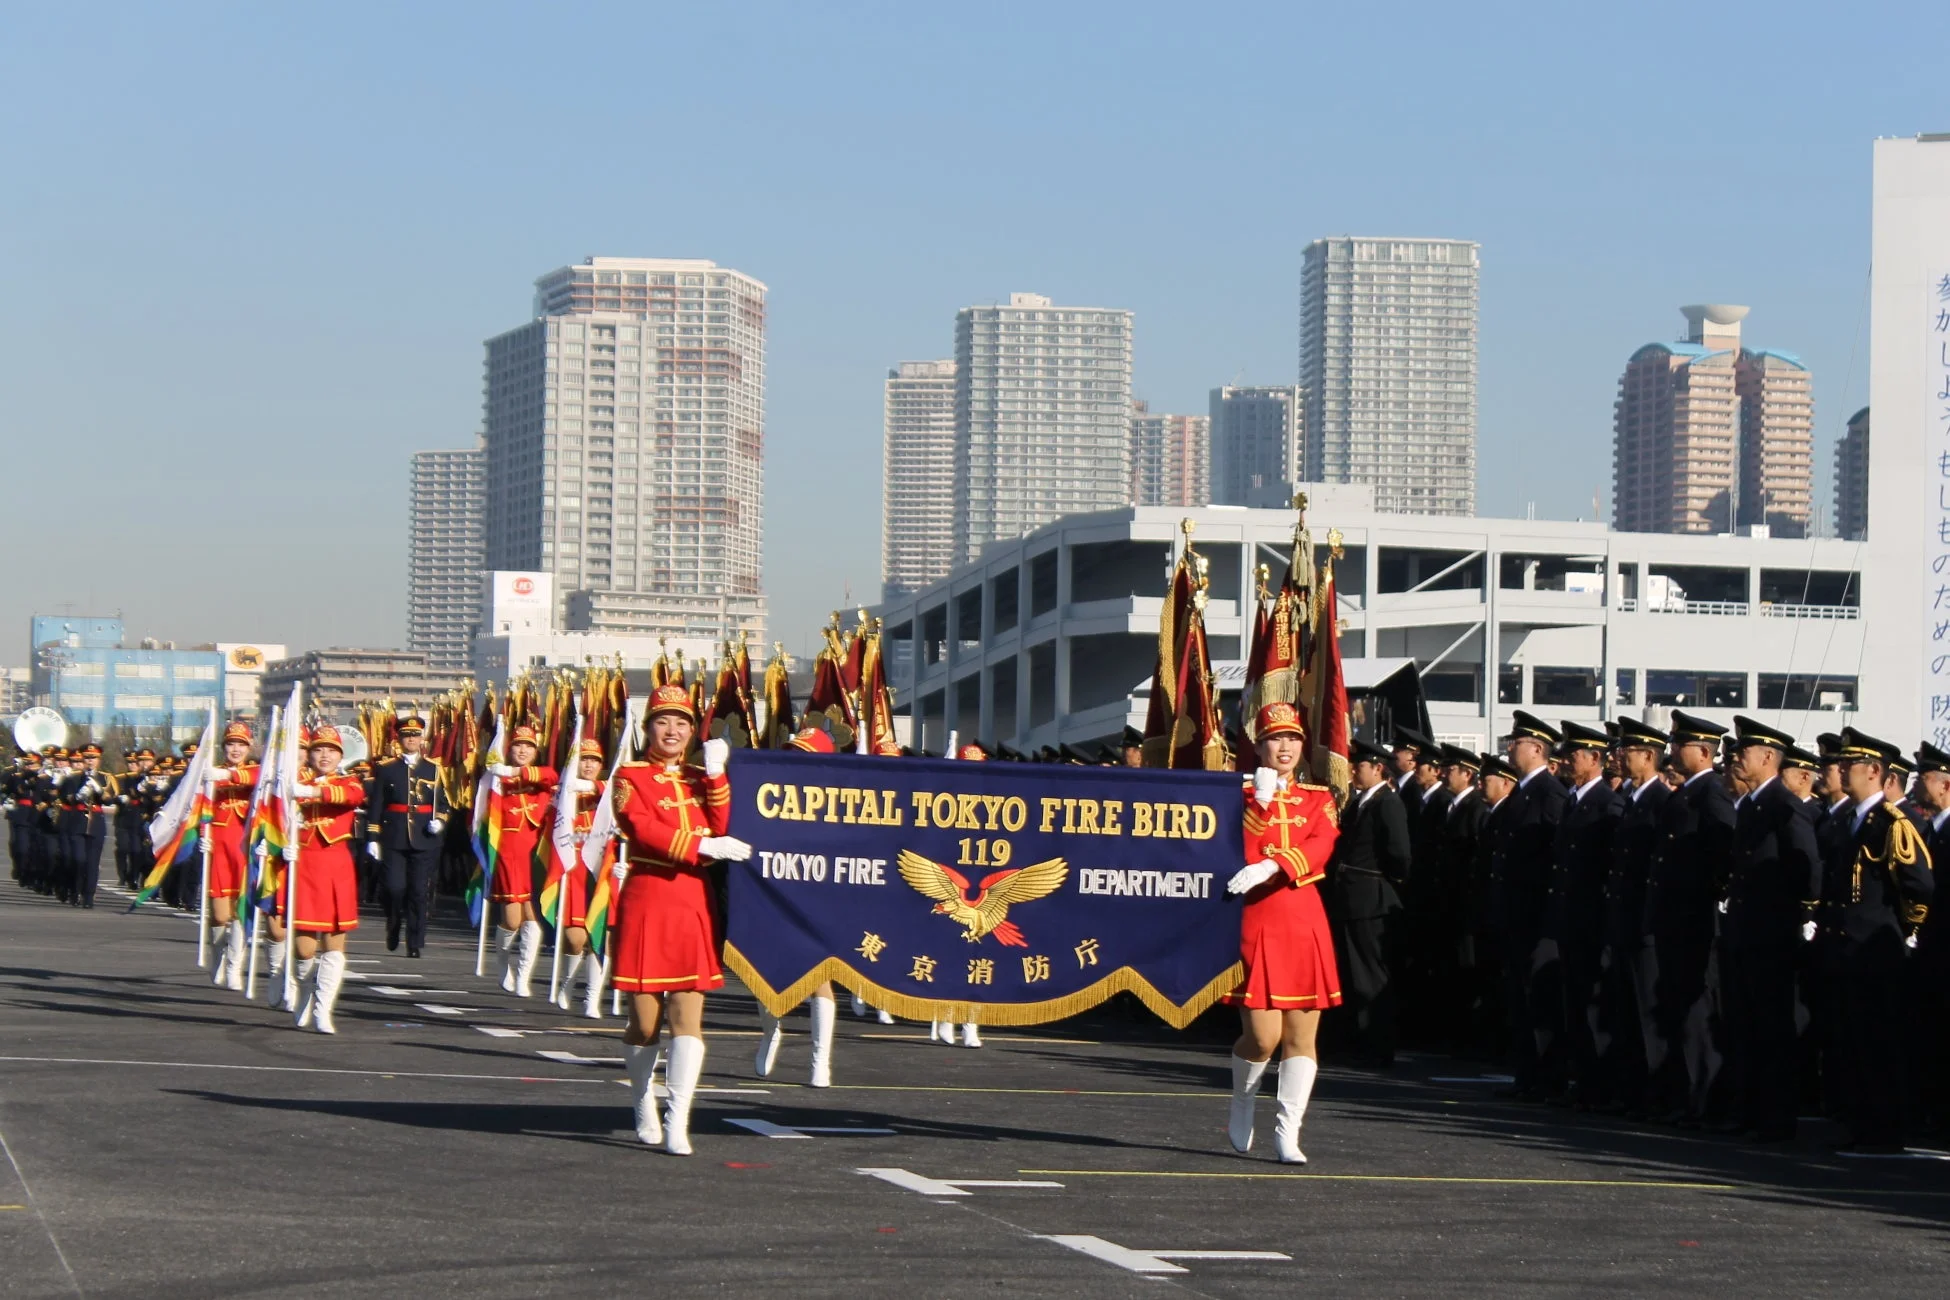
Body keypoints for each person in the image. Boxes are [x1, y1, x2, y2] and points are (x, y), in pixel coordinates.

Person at [611, 683, 751, 1155]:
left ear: (693, 731)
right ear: (648, 727)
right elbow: (641, 828)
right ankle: (641, 1100)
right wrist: (699, 846)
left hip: (692, 899)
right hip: (649, 897)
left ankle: (679, 1117)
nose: (672, 731)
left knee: (687, 1013)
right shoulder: (629, 776)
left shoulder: (698, 775)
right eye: (663, 722)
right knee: (645, 1023)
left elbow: (723, 821)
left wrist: (715, 776)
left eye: (682, 723)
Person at [1223, 701, 1341, 1164]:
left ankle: (1288, 1131)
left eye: (1292, 738)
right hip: (1257, 915)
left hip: (1303, 915)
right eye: (1275, 738)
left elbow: (1322, 844)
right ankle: (1243, 1100)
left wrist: (1276, 863)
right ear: (1259, 745)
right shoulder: (1240, 795)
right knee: (1262, 1037)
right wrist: (1261, 803)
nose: (1285, 746)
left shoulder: (1319, 796)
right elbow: (1238, 845)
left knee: (1302, 1035)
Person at [1720, 716, 1822, 1142]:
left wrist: (1793, 918)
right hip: (1747, 931)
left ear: (1767, 757)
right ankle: (1751, 1112)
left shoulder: (1783, 807)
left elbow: (1807, 869)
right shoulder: (1754, 806)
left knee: (1772, 1027)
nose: (1736, 757)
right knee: (1746, 1025)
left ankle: (1776, 1118)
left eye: (1744, 751)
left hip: (1770, 934)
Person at [1641, 711, 1734, 1125]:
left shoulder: (1711, 792)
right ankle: (1685, 1097)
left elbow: (1723, 852)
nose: (1672, 750)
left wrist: (1708, 895)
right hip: (1674, 919)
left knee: (1697, 1012)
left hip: (1694, 919)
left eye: (1679, 745)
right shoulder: (1685, 794)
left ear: (1702, 751)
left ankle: (1704, 1100)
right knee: (1679, 1009)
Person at [756, 726, 848, 1085]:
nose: (795, 760)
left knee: (820, 976)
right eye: (792, 752)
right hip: (775, 894)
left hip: (820, 898)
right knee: (764, 978)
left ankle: (819, 1060)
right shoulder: (771, 796)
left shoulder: (841, 803)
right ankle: (770, 1032)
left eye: (804, 754)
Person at [1544, 721, 1622, 1106]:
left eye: (1574, 754)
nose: (1567, 760)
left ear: (1594, 759)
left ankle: (1597, 1084)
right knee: (1573, 1002)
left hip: (1590, 919)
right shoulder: (1574, 800)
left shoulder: (1608, 803)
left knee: (1592, 1003)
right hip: (1569, 918)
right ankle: (1582, 1080)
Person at [1492, 712, 1568, 1100]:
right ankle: (1526, 1075)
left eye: (1516, 742)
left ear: (1537, 748)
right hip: (1517, 912)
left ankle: (1545, 1078)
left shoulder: (1549, 793)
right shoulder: (1523, 792)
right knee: (1520, 998)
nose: (1509, 747)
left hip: (1537, 914)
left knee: (1540, 1000)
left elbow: (1554, 857)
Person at [1324, 737, 1411, 1068]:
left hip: (1371, 897)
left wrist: (1385, 882)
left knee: (1370, 974)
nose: (1354, 771)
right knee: (1351, 971)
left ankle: (1377, 1045)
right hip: (1351, 896)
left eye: (1359, 765)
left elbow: (1399, 854)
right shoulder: (1361, 801)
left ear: (1378, 768)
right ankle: (1355, 1039)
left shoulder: (1387, 802)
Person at [1605, 718, 1670, 1118]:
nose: (1619, 756)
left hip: (1646, 923)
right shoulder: (1635, 798)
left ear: (1648, 756)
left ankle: (1656, 1095)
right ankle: (1632, 1092)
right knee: (1628, 1012)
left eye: (1627, 751)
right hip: (1626, 920)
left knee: (1649, 1014)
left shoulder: (1659, 801)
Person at [289, 726, 367, 1034]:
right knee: (304, 949)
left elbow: (352, 797)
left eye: (331, 750)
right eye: (319, 750)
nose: (324, 756)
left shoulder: (349, 781)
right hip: (303, 866)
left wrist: (314, 792)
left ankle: (324, 1008)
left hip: (336, 867)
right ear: (309, 754)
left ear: (340, 755)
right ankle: (304, 990)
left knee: (334, 944)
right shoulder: (295, 781)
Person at [364, 715, 448, 958]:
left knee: (419, 892)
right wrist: (372, 837)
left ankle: (415, 941)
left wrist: (440, 821)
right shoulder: (387, 769)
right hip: (394, 837)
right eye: (406, 735)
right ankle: (392, 921)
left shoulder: (434, 768)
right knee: (394, 888)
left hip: (424, 838)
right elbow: (377, 806)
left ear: (422, 739)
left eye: (415, 735)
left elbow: (444, 804)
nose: (411, 739)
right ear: (399, 739)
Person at [489, 724, 558, 996]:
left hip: (535, 853)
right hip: (507, 852)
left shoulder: (539, 777)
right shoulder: (497, 780)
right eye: (518, 745)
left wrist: (516, 771)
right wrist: (499, 774)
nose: (523, 750)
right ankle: (503, 964)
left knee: (533, 916)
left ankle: (524, 976)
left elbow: (551, 775)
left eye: (528, 746)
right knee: (513, 919)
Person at [550, 738, 609, 1016]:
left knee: (599, 937)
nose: (588, 765)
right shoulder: (563, 794)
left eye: (594, 760)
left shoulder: (608, 792)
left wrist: (591, 787)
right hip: (573, 871)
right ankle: (567, 984)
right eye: (584, 759)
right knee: (575, 939)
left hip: (602, 872)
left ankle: (592, 999)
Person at [199, 723, 260, 987]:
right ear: (223, 747)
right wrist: (203, 833)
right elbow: (201, 805)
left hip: (244, 848)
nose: (236, 750)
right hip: (219, 847)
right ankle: (217, 954)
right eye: (231, 744)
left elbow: (253, 780)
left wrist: (225, 776)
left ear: (249, 747)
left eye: (241, 744)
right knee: (220, 915)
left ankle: (236, 965)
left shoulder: (256, 771)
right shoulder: (212, 773)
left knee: (240, 910)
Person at [58, 744, 115, 909]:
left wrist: (99, 790)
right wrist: (77, 796)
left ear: (99, 760)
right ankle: (74, 890)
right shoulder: (73, 778)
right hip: (76, 822)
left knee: (92, 862)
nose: (90, 761)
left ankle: (88, 896)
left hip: (95, 822)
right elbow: (65, 798)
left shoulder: (105, 778)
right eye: (87, 758)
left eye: (93, 758)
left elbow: (109, 800)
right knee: (77, 859)